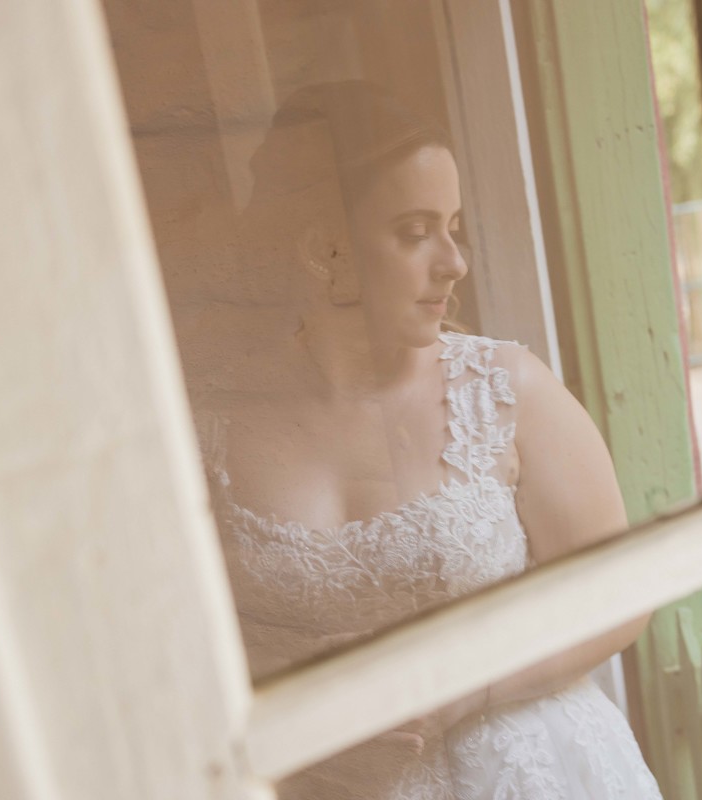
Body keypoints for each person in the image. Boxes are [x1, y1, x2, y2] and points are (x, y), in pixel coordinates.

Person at [193, 80, 662, 799]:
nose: (455, 262)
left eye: (454, 225)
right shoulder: (215, 425)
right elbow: (190, 649)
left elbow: (622, 595)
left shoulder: (507, 390)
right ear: (325, 251)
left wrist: (470, 688)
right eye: (416, 233)